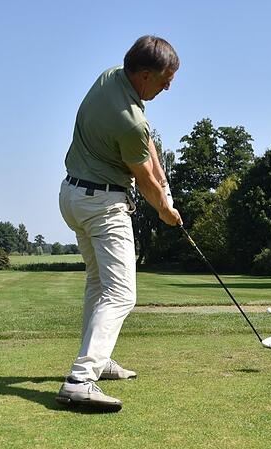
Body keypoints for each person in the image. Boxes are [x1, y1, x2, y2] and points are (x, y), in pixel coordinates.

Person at [55, 35, 182, 411]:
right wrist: (165, 209)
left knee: (99, 285)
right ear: (144, 75)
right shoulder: (130, 123)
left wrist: (165, 183)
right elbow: (142, 177)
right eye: (164, 80)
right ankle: (81, 380)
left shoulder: (111, 78)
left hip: (73, 197)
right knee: (122, 293)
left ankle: (99, 358)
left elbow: (148, 148)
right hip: (103, 205)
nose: (168, 86)